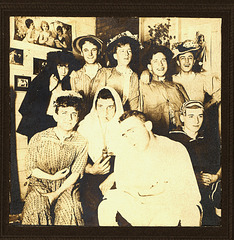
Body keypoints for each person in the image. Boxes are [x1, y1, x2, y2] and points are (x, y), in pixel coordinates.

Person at [98, 110, 202, 226]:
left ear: (148, 126)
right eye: (125, 135)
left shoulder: (175, 148)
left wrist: (159, 190)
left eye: (132, 131)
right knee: (107, 204)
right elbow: (124, 189)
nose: (129, 138)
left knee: (191, 209)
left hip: (168, 205)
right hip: (141, 206)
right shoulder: (125, 153)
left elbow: (188, 192)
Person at [22, 92, 88, 225]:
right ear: (56, 115)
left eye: (73, 114)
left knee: (70, 209)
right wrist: (53, 177)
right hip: (39, 185)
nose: (69, 118)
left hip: (66, 186)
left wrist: (56, 193)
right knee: (37, 207)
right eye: (64, 113)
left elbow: (76, 173)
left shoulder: (81, 141)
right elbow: (30, 169)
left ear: (78, 118)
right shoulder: (39, 138)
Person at [169, 100, 221, 225]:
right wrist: (191, 178)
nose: (196, 121)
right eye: (191, 116)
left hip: (207, 190)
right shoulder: (172, 139)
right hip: (182, 192)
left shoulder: (208, 139)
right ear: (182, 117)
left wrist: (216, 176)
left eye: (200, 116)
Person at [78, 87, 124, 226]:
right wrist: (90, 169)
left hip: (120, 170)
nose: (105, 112)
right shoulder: (85, 125)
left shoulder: (125, 124)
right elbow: (75, 158)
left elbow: (134, 157)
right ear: (95, 106)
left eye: (110, 107)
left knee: (119, 205)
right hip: (93, 171)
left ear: (117, 107)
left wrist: (114, 176)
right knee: (91, 201)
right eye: (101, 107)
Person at [17, 51, 80, 141]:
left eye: (66, 66)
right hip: (39, 122)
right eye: (60, 66)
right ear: (54, 66)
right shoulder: (41, 79)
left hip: (56, 122)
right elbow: (29, 105)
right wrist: (49, 89)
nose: (64, 71)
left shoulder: (67, 82)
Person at [139, 45, 189, 136]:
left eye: (163, 60)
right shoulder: (143, 86)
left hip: (179, 137)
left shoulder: (177, 87)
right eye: (155, 61)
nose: (160, 65)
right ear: (150, 67)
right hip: (155, 138)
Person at [101, 31, 140, 111]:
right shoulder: (106, 73)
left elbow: (134, 102)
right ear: (115, 56)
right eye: (122, 51)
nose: (126, 54)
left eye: (129, 51)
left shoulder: (134, 76)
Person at [70, 35, 105, 114]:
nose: (90, 54)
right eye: (86, 50)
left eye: (94, 50)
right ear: (82, 53)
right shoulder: (75, 75)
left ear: (98, 52)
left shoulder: (107, 73)